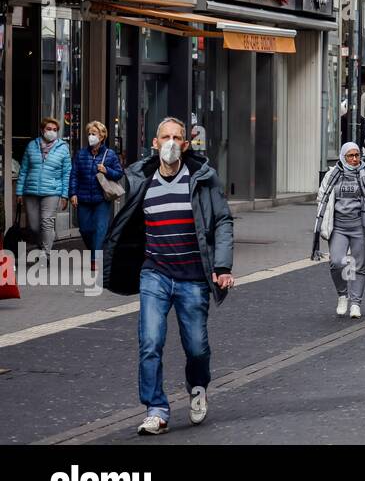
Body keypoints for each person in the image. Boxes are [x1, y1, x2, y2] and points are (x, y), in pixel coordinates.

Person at [101, 117, 234, 436]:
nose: (172, 142)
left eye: (178, 137)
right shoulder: (141, 179)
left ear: (186, 145)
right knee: (149, 342)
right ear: (156, 143)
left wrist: (223, 266)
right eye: (166, 137)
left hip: (193, 277)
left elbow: (223, 221)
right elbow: (123, 216)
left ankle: (198, 386)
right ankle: (156, 409)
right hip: (155, 274)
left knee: (197, 348)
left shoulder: (203, 178)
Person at [311, 142, 365, 318]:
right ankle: (342, 295)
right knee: (337, 262)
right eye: (350, 156)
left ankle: (355, 303)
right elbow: (322, 198)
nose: (354, 159)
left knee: (359, 267)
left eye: (357, 155)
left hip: (361, 227)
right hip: (338, 227)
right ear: (343, 157)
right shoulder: (332, 175)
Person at [69, 121, 124, 272]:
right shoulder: (81, 154)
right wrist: (72, 193)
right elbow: (74, 175)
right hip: (83, 197)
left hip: (102, 198)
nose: (91, 136)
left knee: (100, 229)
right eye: (89, 133)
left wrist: (107, 170)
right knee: (85, 229)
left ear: (102, 136)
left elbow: (119, 173)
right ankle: (96, 251)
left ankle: (95, 259)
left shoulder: (110, 154)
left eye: (94, 134)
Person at [17, 117, 72, 262]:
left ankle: (45, 254)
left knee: (46, 222)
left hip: (52, 191)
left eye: (55, 130)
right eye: (49, 129)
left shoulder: (63, 148)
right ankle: (41, 246)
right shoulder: (31, 146)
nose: (52, 132)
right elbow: (23, 170)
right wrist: (19, 192)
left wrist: (65, 195)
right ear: (42, 130)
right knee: (34, 226)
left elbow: (67, 173)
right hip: (31, 191)